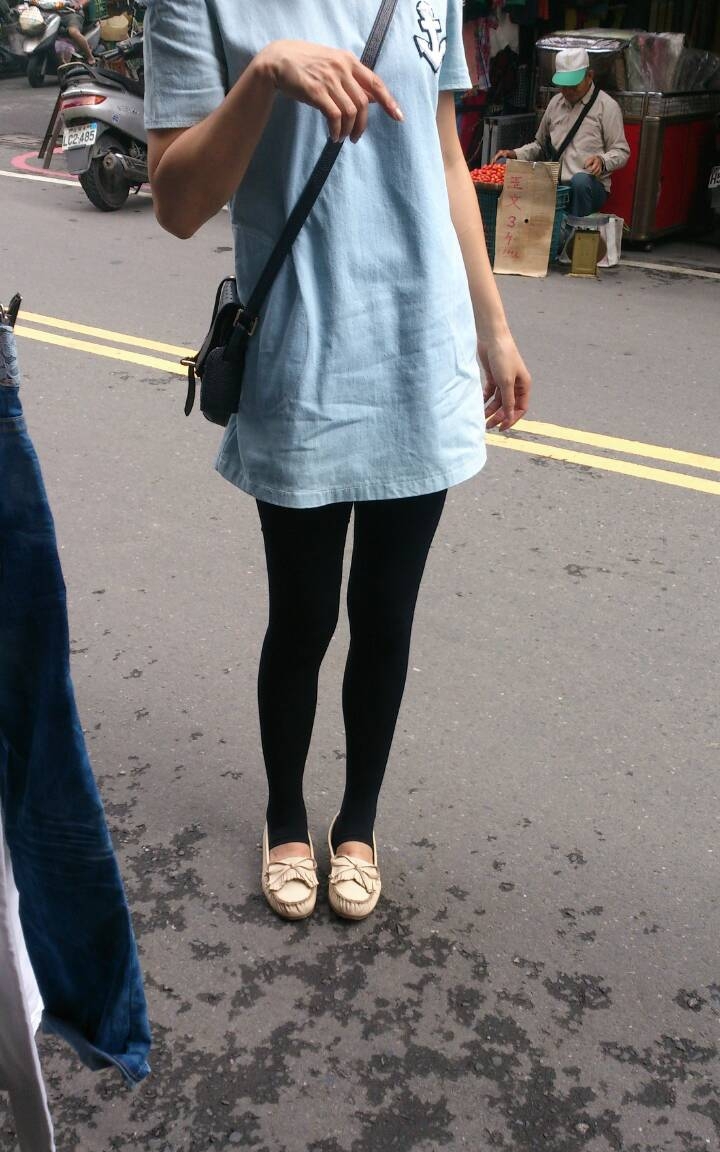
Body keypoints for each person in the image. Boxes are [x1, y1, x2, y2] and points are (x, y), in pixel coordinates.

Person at [144, 0, 530, 922]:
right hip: (304, 358)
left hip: (420, 354)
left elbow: (443, 157)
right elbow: (177, 204)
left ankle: (358, 826)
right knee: (305, 615)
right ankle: (285, 817)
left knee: (387, 616)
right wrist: (263, 75)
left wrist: (494, 328)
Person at [494, 49, 630, 218]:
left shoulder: (607, 106)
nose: (568, 91)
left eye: (574, 86)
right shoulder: (555, 103)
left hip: (589, 186)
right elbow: (540, 146)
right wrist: (514, 154)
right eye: (564, 86)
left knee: (580, 182)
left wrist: (602, 161)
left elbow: (621, 151)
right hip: (555, 183)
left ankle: (576, 231)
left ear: (589, 76)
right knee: (503, 164)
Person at [31, 0, 96, 64]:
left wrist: (80, 5)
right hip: (51, 13)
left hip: (71, 12)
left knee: (73, 31)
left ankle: (90, 57)